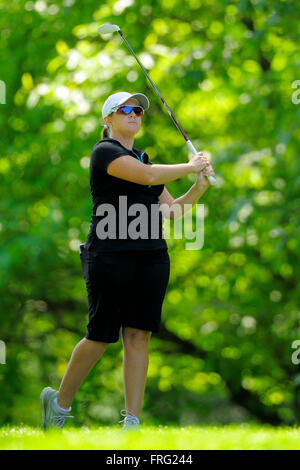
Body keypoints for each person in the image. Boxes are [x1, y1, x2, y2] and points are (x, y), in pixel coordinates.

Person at [40, 91, 215, 431]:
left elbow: (172, 211)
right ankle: (59, 405)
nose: (134, 114)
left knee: (139, 335)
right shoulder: (105, 152)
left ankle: (132, 423)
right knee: (101, 335)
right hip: (109, 255)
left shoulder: (144, 157)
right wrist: (190, 165)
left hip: (151, 257)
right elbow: (148, 176)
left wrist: (199, 186)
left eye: (138, 110)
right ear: (108, 119)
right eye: (125, 110)